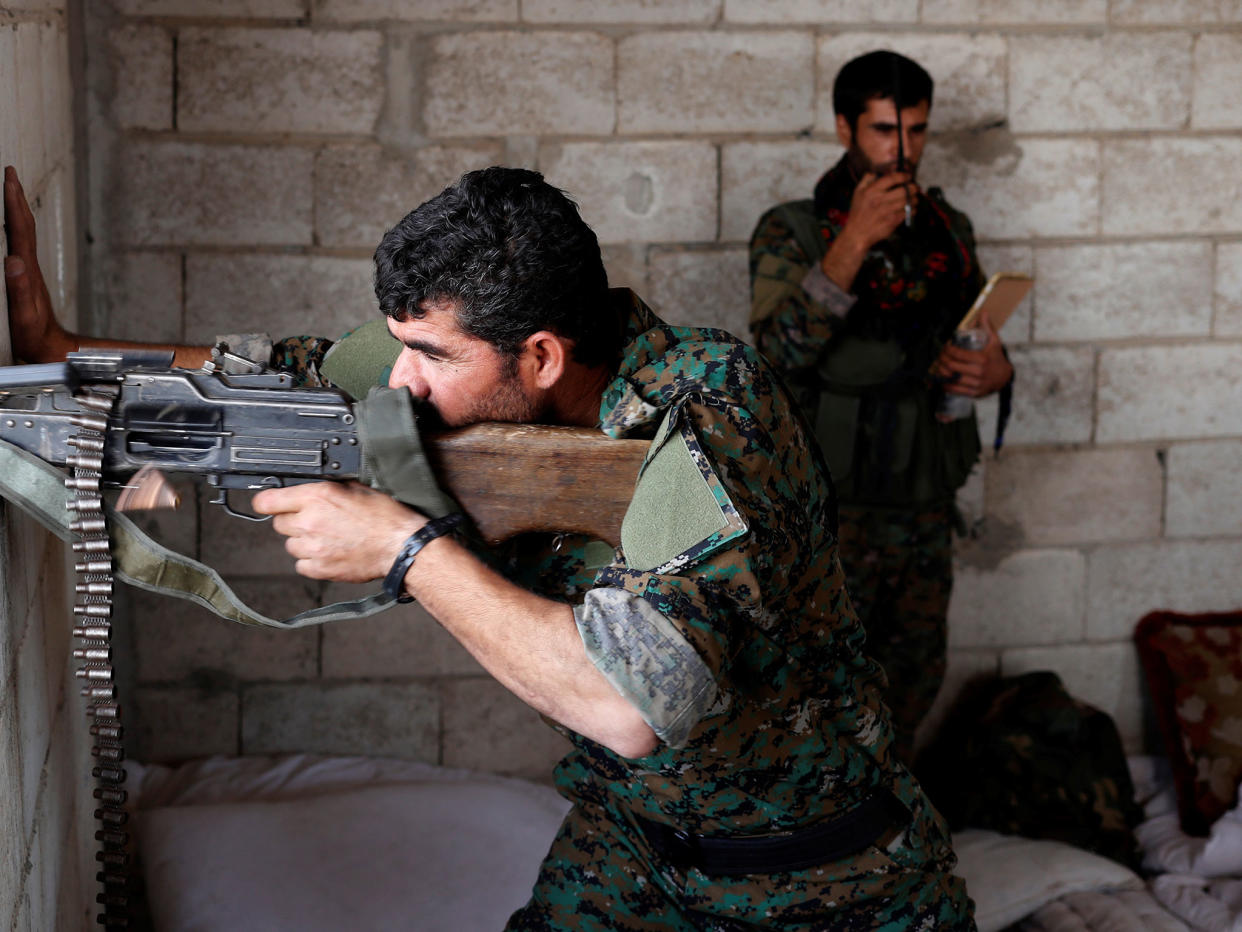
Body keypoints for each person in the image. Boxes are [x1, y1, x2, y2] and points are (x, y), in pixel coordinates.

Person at [6, 164, 975, 929]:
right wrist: (61, 348)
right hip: (628, 842)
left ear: (543, 354)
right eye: (400, 342)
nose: (400, 379)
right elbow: (270, 374)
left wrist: (406, 548)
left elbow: (629, 705)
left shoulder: (713, 411)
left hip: (820, 877)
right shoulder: (452, 353)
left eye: (430, 355)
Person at [748, 51, 1014, 765]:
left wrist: (992, 370)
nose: (903, 151)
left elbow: (979, 333)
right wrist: (854, 242)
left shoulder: (947, 231)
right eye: (885, 130)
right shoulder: (795, 229)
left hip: (923, 503)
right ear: (845, 128)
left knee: (913, 683)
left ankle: (892, 833)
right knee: (818, 687)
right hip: (832, 509)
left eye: (917, 132)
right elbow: (778, 351)